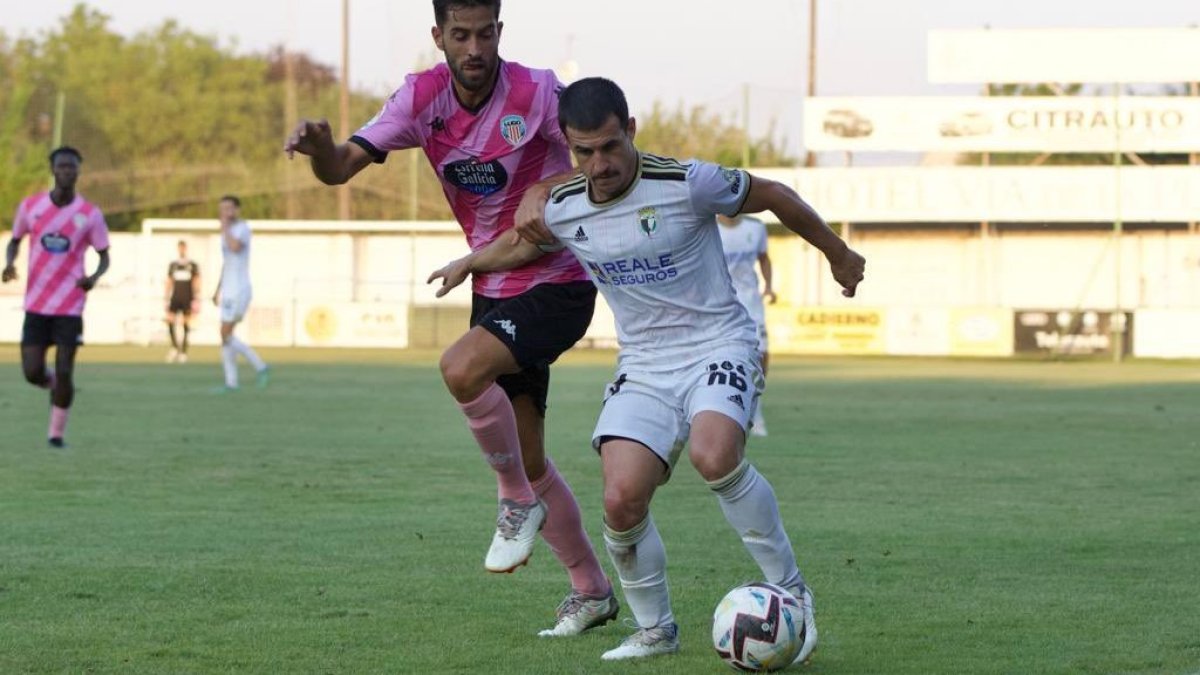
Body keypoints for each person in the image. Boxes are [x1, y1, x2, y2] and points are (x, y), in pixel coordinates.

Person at [429, 77, 866, 663]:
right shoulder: (567, 205)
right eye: (584, 151)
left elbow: (775, 194)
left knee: (716, 455)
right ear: (569, 146)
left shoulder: (688, 182)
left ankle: (793, 593)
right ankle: (655, 629)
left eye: (611, 146)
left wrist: (837, 252)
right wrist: (468, 262)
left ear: (630, 131)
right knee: (621, 498)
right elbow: (522, 244)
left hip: (719, 344)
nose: (600, 163)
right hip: (645, 365)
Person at [283, 0, 617, 637]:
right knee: (533, 459)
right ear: (437, 35)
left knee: (460, 368)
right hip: (494, 283)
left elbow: (603, 150)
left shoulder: (540, 92)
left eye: (485, 33)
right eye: (459, 35)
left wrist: (554, 187)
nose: (473, 48)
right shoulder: (420, 100)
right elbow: (341, 169)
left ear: (499, 32)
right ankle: (591, 590)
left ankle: (513, 501)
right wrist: (323, 152)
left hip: (558, 279)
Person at [2, 146, 111, 448]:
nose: (66, 171)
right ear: (52, 169)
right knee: (32, 371)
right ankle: (54, 386)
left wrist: (94, 277)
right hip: (36, 304)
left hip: (70, 305)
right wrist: (9, 263)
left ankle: (55, 434)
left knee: (65, 369)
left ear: (78, 171)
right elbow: (14, 241)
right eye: (61, 166)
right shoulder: (31, 206)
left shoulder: (89, 214)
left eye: (71, 167)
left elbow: (104, 256)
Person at [717, 213, 775, 436]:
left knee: (763, 356)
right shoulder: (708, 228)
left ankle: (754, 406)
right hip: (723, 304)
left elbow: (764, 258)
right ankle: (737, 413)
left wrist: (769, 286)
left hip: (752, 303)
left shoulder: (755, 228)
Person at [211, 195, 268, 392]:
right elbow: (226, 262)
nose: (224, 213)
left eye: (228, 208)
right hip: (227, 290)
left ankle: (260, 366)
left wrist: (225, 227)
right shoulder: (225, 233)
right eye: (222, 209)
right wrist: (217, 288)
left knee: (224, 333)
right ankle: (231, 383)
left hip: (240, 289)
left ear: (237, 210)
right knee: (225, 337)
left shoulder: (243, 229)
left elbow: (235, 248)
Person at [164, 240, 201, 363]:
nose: (182, 250)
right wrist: (166, 297)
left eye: (183, 248)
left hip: (187, 297)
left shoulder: (192, 265)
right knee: (170, 320)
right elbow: (169, 281)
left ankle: (183, 351)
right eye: (180, 248)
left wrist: (196, 297)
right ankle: (174, 347)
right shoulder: (173, 265)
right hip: (175, 297)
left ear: (186, 249)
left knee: (186, 323)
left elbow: (197, 281)